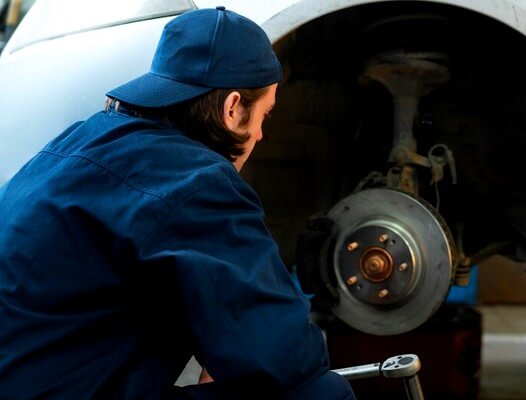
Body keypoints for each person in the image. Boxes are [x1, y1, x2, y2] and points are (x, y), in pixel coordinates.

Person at [0, 7, 355, 399]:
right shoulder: (196, 181)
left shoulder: (78, 140)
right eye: (264, 115)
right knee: (317, 391)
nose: (260, 136)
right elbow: (286, 360)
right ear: (233, 108)